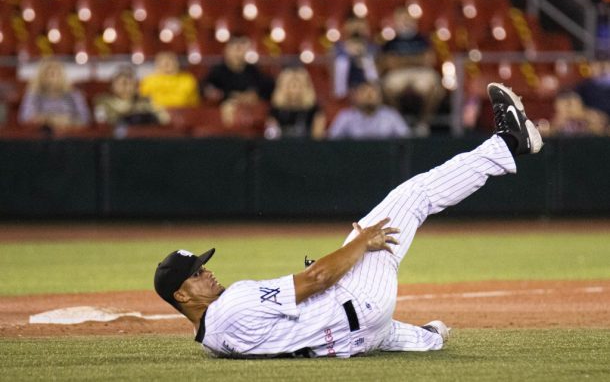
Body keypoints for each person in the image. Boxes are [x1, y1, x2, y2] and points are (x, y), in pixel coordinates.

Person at [154, 82, 544, 358]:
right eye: (196, 273)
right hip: (361, 308)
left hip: (348, 341)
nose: (207, 273)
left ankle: (429, 339)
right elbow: (316, 280)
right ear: (182, 296)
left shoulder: (212, 341)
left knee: (357, 311)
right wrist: (362, 244)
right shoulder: (233, 301)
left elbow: (293, 322)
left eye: (201, 266)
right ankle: (508, 143)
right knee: (410, 199)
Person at [378, 6, 445, 136]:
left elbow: (429, 61)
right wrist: (416, 59)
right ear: (396, 21)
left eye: (407, 19)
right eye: (401, 19)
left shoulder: (423, 39)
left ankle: (423, 123)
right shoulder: (391, 42)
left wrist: (402, 61)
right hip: (398, 74)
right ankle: (399, 123)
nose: (405, 22)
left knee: (434, 87)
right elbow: (390, 64)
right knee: (387, 87)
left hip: (421, 73)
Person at [199, 35, 274, 127]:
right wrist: (230, 96)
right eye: (236, 49)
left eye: (242, 49)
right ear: (227, 50)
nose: (238, 53)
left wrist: (254, 95)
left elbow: (266, 88)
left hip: (250, 110)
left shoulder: (253, 71)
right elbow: (207, 89)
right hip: (225, 111)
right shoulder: (217, 71)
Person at [18, 58, 90, 129]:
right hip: (40, 136)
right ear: (41, 76)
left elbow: (85, 119)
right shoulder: (33, 94)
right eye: (48, 74)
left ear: (62, 76)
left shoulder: (73, 94)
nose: (52, 78)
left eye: (56, 74)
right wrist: (49, 120)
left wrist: (68, 121)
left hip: (70, 135)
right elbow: (25, 118)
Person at [327, 81, 410, 140]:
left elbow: (406, 139)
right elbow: (331, 141)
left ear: (380, 98)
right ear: (357, 97)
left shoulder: (390, 115)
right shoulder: (346, 116)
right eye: (365, 93)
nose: (370, 96)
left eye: (373, 93)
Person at [94, 66, 169, 126]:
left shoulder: (146, 102)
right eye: (122, 83)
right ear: (112, 86)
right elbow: (102, 123)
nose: (125, 87)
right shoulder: (103, 102)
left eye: (129, 83)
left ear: (136, 86)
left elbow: (164, 119)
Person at [265, 66, 326, 139]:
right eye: (290, 85)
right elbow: (271, 135)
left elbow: (318, 137)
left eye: (298, 85)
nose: (294, 89)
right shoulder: (275, 111)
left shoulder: (315, 110)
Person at [332, 15, 379, 99]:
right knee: (341, 62)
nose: (357, 28)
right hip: (348, 79)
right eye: (353, 24)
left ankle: (373, 89)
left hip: (364, 79)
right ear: (346, 26)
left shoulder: (372, 45)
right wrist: (349, 53)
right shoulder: (339, 46)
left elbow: (377, 57)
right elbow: (333, 59)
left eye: (360, 24)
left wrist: (361, 53)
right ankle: (340, 93)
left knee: (367, 60)